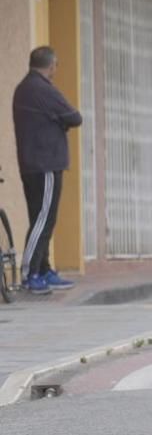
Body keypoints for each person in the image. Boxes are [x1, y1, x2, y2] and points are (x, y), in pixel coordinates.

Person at [12, 46, 81, 295]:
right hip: (46, 164)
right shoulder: (42, 89)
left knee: (39, 219)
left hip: (31, 164)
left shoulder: (24, 88)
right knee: (44, 219)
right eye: (56, 66)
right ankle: (31, 273)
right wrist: (60, 121)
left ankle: (43, 269)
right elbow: (75, 117)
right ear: (51, 65)